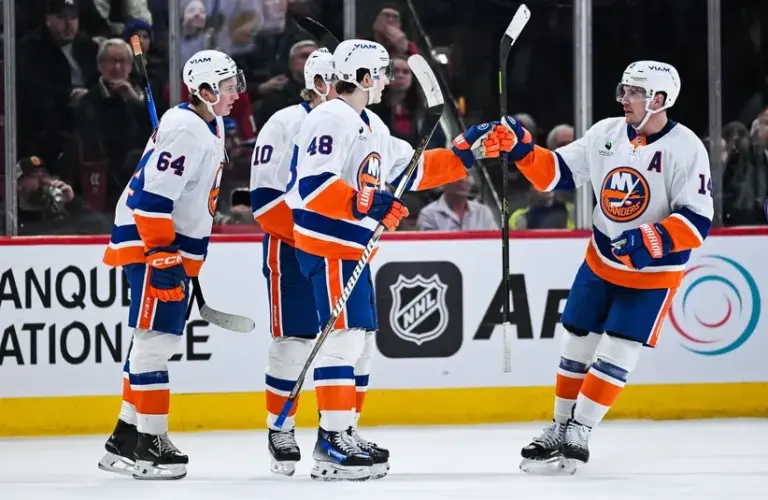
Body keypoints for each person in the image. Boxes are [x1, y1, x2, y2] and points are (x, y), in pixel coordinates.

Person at [286, 39, 512, 481]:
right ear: (366, 78)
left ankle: (344, 429)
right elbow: (314, 185)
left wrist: (469, 151)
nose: (389, 81)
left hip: (353, 246)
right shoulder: (332, 115)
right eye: (383, 73)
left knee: (361, 345)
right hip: (329, 244)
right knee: (344, 340)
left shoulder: (369, 123)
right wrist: (369, 206)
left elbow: (416, 171)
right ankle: (331, 441)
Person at [500, 61, 713, 473]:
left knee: (618, 349)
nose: (623, 99)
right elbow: (555, 174)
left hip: (652, 274)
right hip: (600, 261)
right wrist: (522, 147)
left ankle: (581, 427)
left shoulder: (686, 148)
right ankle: (559, 426)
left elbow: (697, 221)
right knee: (576, 343)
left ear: (659, 99)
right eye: (624, 90)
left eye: (633, 92)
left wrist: (649, 239)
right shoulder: (605, 133)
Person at [98, 49, 246, 480]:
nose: (237, 91)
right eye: (228, 85)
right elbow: (150, 199)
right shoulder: (185, 128)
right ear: (203, 90)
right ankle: (150, 443)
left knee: (152, 341)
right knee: (154, 342)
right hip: (151, 242)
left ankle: (124, 437)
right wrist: (162, 253)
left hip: (167, 244)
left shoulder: (206, 123)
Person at [248, 47, 344, 477]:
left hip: (338, 251)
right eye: (337, 82)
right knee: (293, 342)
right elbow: (265, 202)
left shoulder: (353, 125)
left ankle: (337, 432)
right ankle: (280, 427)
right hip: (291, 248)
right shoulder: (285, 123)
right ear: (318, 82)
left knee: (344, 344)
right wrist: (310, 236)